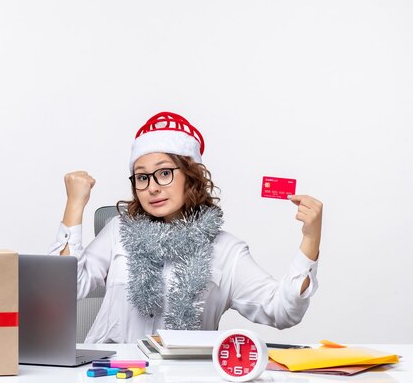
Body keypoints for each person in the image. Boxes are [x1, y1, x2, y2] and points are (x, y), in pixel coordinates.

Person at [49, 112, 322, 343]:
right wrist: (75, 204)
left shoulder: (226, 251)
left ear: (190, 176)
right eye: (142, 176)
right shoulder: (118, 232)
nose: (153, 186)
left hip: (184, 377)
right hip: (111, 374)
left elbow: (283, 312)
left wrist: (310, 241)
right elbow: (62, 290)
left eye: (164, 172)